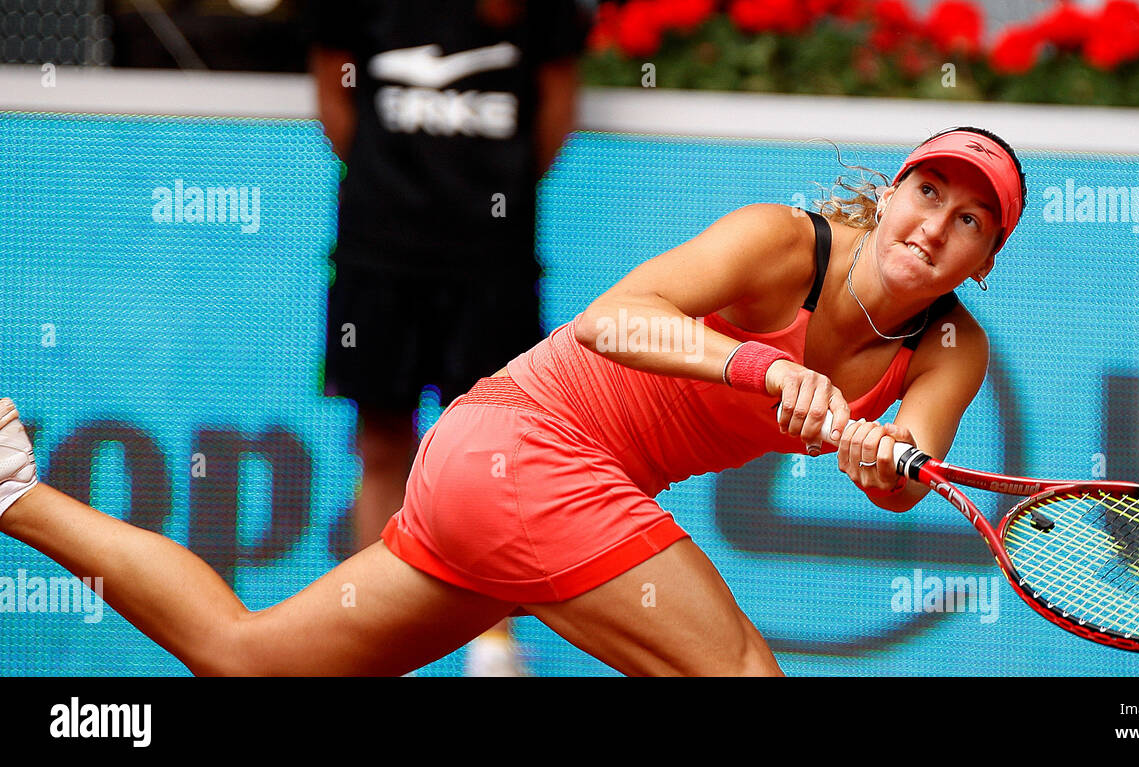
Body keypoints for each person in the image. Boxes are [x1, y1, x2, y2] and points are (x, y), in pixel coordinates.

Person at [0, 127, 1024, 676]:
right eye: (927, 191)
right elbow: (608, 323)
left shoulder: (950, 348)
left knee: (248, 658)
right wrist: (764, 370)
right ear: (889, 193)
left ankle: (11, 489)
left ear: (984, 259)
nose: (936, 223)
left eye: (969, 217)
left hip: (508, 490)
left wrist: (880, 459)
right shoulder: (778, 240)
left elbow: (904, 468)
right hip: (527, 446)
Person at [308, 0, 590, 675]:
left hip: (493, 265)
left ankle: (492, 643)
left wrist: (487, 199)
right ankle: (368, 637)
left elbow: (554, 113)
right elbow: (333, 99)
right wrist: (397, 194)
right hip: (377, 256)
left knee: (492, 454)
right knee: (381, 443)